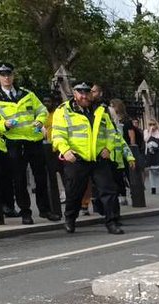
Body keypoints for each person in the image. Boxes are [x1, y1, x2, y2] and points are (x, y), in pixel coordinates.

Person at [0, 62, 58, 224]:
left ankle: (45, 210)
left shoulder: (27, 94)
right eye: (3, 75)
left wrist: (40, 122)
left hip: (33, 140)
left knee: (40, 177)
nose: (6, 77)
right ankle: (25, 211)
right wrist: (3, 125)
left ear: (13, 76)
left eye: (9, 74)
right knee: (18, 179)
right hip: (13, 141)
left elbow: (42, 111)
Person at [51, 82, 124, 235]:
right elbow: (57, 134)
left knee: (108, 190)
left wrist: (108, 148)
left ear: (91, 94)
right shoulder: (63, 111)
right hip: (76, 158)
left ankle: (112, 222)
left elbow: (112, 132)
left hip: (98, 157)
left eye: (87, 92)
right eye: (80, 92)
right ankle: (70, 218)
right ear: (74, 93)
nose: (84, 96)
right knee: (74, 192)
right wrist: (65, 150)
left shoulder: (102, 110)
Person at [144, 120, 159, 194]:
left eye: (153, 124)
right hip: (150, 153)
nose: (152, 126)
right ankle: (153, 187)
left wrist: (158, 136)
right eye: (150, 124)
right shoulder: (146, 131)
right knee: (151, 171)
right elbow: (146, 140)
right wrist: (150, 132)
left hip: (158, 152)